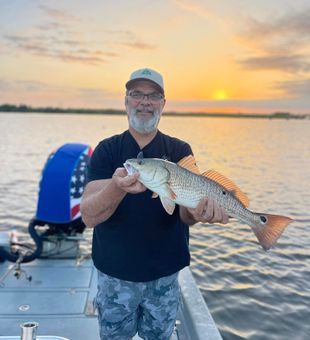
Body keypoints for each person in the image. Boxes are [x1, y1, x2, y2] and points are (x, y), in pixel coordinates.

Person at [81, 68, 229, 340]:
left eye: (153, 96)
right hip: (115, 276)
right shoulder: (107, 149)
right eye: (137, 94)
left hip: (164, 278)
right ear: (126, 101)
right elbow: (89, 216)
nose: (145, 102)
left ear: (163, 103)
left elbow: (185, 214)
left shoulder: (179, 150)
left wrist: (199, 212)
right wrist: (116, 187)